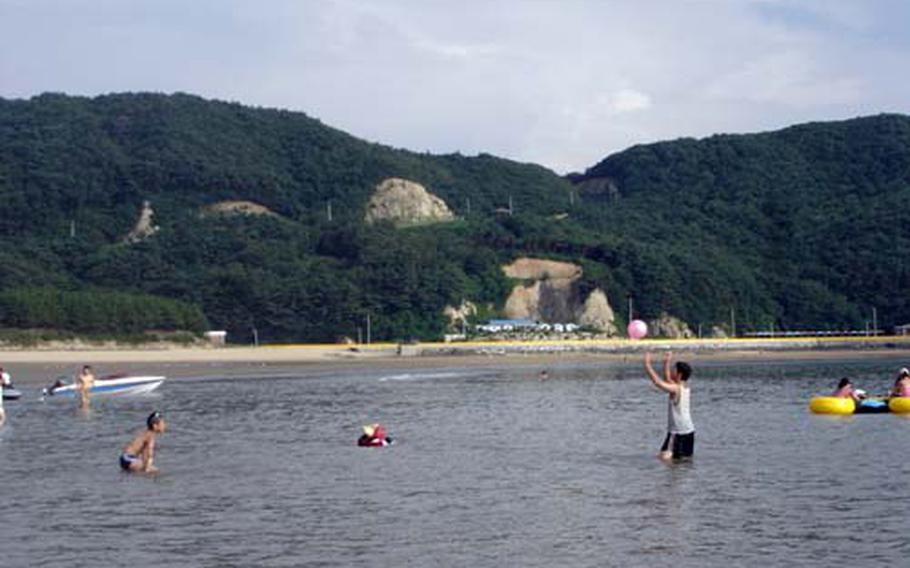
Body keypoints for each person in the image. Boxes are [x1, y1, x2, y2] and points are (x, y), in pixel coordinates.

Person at [644, 351, 695, 462]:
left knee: (664, 459)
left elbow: (658, 382)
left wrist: (648, 366)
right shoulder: (684, 387)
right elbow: (667, 379)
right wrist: (666, 362)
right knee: (683, 461)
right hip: (689, 431)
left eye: (674, 370)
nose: (672, 371)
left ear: (679, 374)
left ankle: (669, 479)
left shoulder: (676, 389)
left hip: (678, 432)